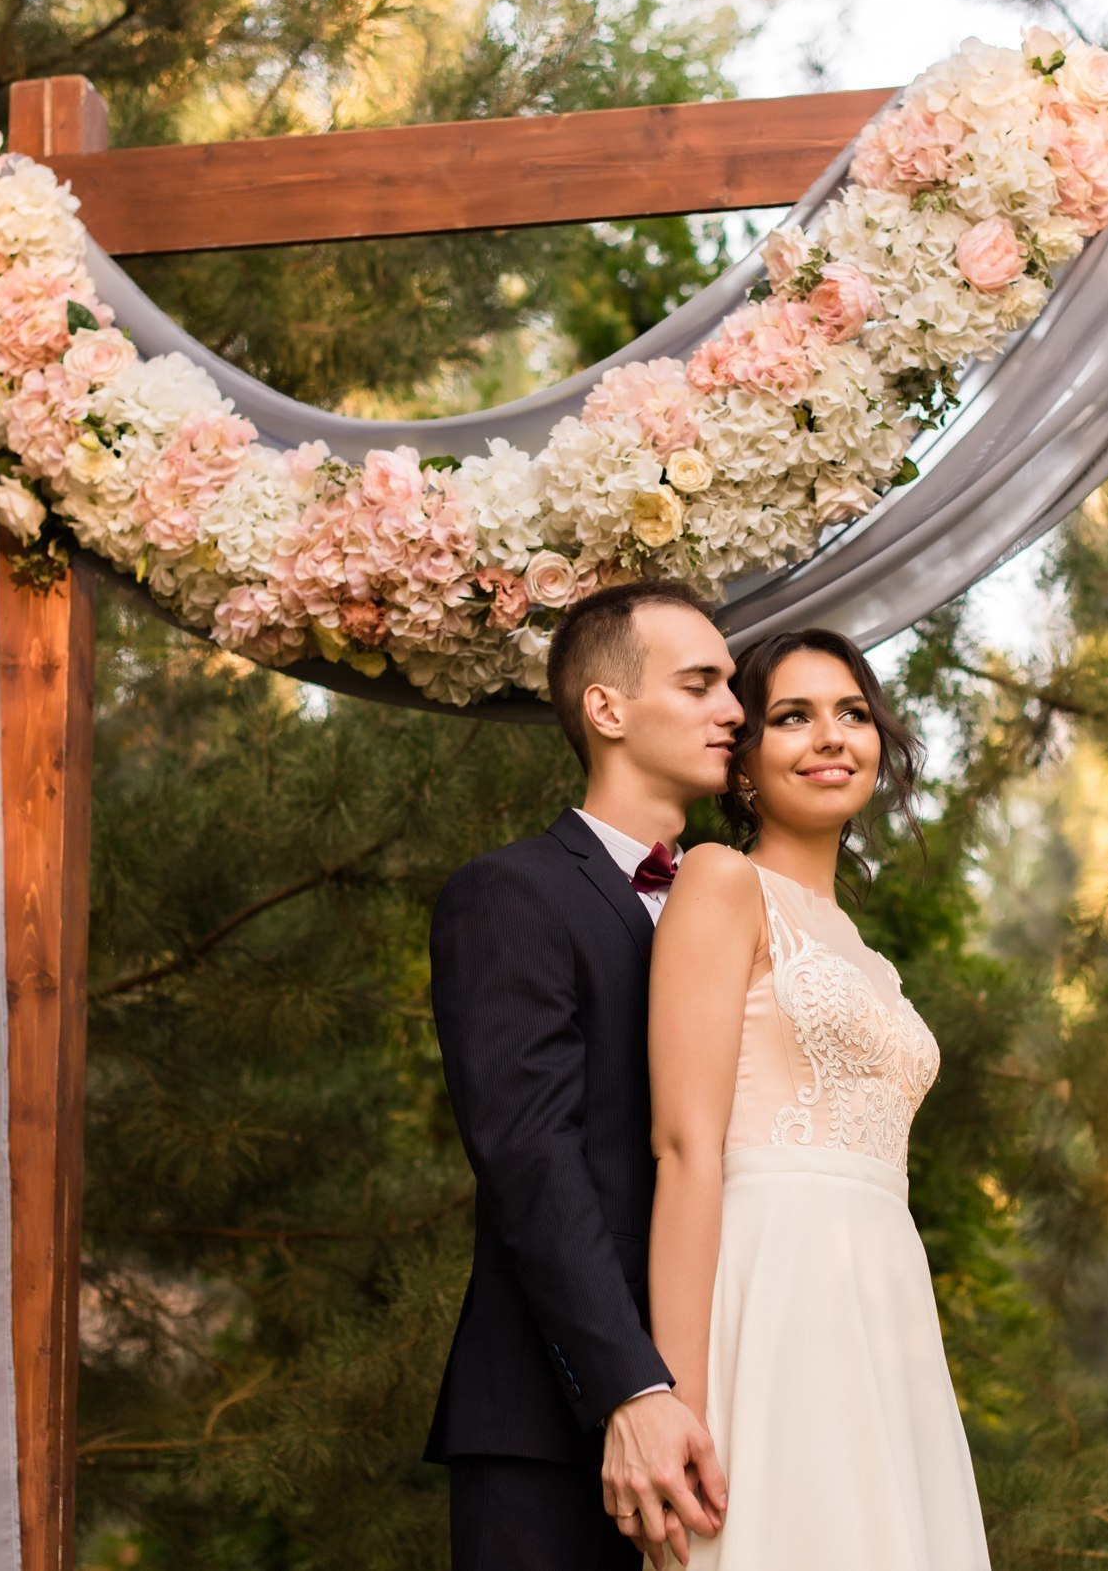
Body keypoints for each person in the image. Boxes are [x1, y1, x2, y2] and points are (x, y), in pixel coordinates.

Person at [638, 628, 991, 1571]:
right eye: (792, 717)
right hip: (774, 1287)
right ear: (744, 758)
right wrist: (672, 1394)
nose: (830, 737)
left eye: (852, 714)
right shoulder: (720, 882)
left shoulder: (865, 953)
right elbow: (683, 1148)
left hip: (885, 1301)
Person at [425, 580, 742, 1571]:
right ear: (607, 709)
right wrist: (629, 1388)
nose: (732, 709)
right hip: (552, 1425)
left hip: (729, 1400)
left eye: (732, 686)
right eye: (699, 685)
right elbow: (531, 1157)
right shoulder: (509, 893)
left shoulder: (736, 907)